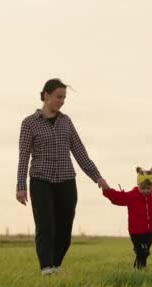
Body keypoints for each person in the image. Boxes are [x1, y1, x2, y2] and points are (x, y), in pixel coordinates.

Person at [16, 78, 109, 276]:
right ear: (46, 95)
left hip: (66, 180)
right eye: (59, 97)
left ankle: (55, 265)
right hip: (41, 180)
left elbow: (79, 151)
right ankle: (46, 268)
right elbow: (23, 157)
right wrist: (20, 186)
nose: (62, 101)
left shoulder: (66, 122)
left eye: (64, 98)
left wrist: (97, 177)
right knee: (46, 225)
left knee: (65, 227)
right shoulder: (29, 124)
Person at [102, 166, 152, 269]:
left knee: (144, 253)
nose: (146, 191)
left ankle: (138, 271)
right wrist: (107, 189)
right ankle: (140, 271)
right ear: (138, 185)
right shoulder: (132, 196)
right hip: (136, 232)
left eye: (149, 188)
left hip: (150, 231)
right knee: (142, 251)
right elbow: (117, 198)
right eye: (143, 188)